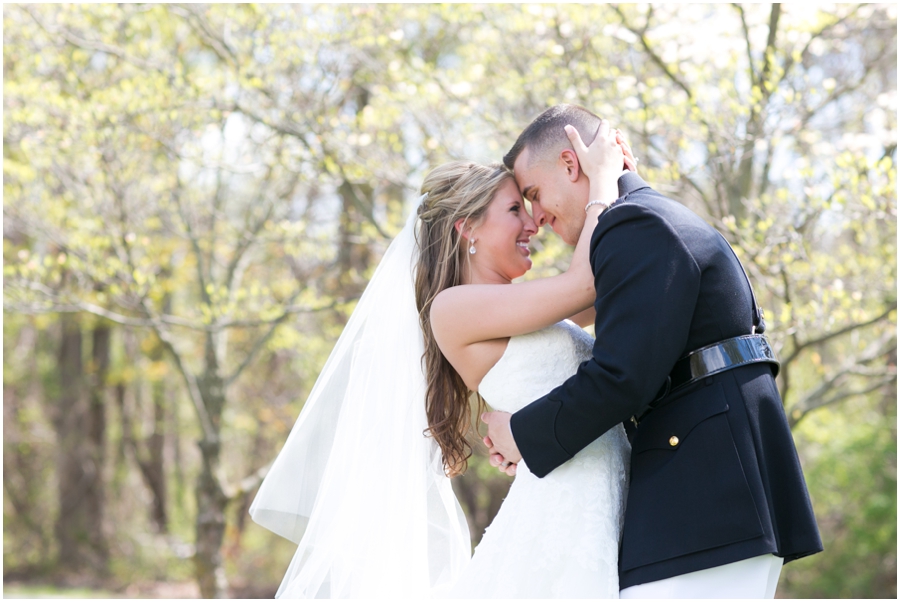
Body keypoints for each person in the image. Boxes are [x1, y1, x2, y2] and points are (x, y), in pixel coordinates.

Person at [249, 121, 635, 597]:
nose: (533, 224)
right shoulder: (453, 309)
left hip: (595, 497)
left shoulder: (522, 306)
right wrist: (601, 180)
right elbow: (587, 284)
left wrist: (611, 186)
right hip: (567, 507)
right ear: (467, 227)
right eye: (516, 209)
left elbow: (608, 290)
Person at [483, 104, 823, 598]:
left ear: (571, 164)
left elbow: (622, 377)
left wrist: (522, 434)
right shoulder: (648, 220)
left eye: (533, 194)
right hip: (717, 490)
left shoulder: (632, 224)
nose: (536, 216)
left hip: (710, 497)